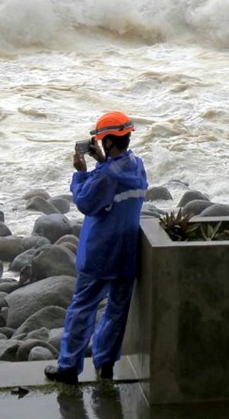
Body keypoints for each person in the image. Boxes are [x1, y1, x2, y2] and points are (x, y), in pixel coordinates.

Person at [44, 111, 148, 384]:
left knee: (82, 308)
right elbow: (117, 177)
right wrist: (102, 161)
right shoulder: (137, 166)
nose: (100, 145)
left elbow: (86, 202)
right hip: (127, 252)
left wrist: (80, 174)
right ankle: (106, 363)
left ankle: (68, 367)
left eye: (102, 142)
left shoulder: (105, 177)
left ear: (111, 141)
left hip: (100, 252)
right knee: (116, 310)